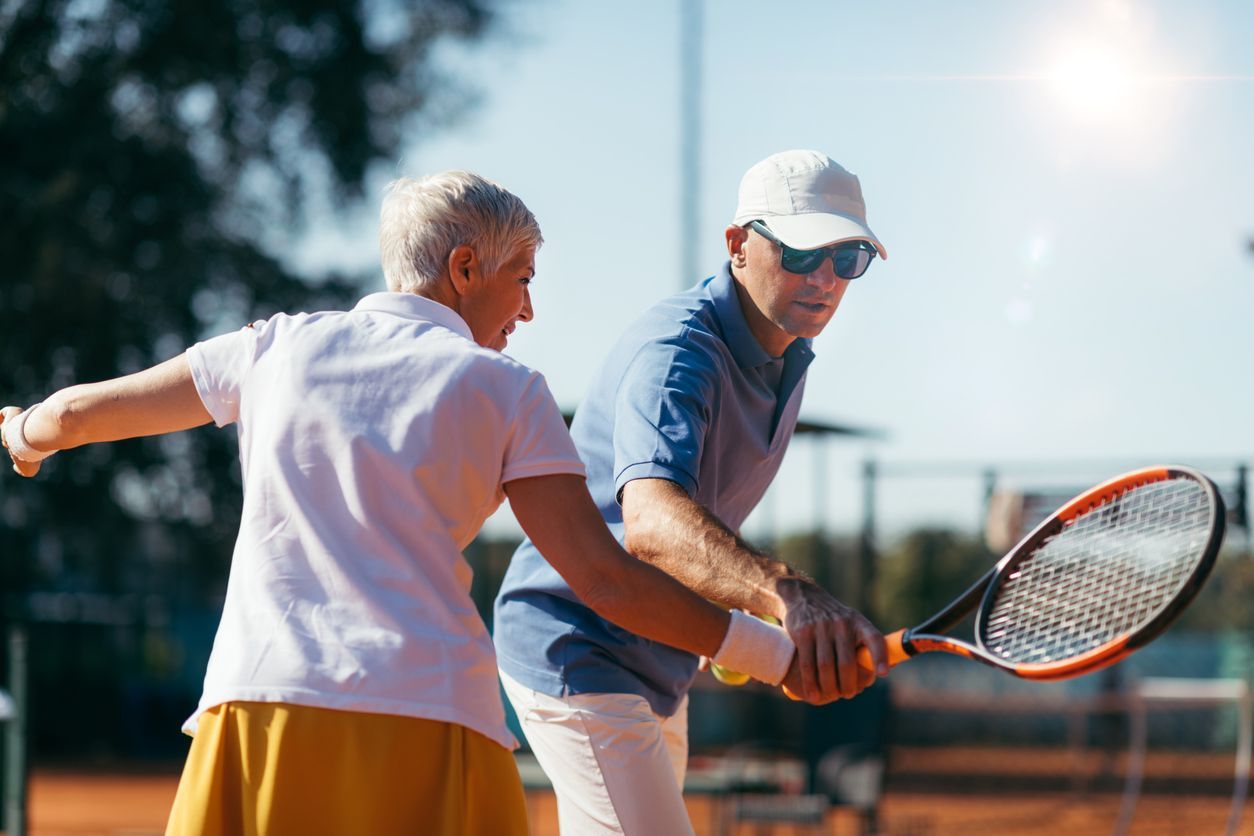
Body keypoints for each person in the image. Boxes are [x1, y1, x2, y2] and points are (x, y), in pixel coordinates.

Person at [1, 171, 817, 836]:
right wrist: (779, 653)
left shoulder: (274, 347)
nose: (528, 310)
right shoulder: (510, 390)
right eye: (521, 280)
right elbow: (605, 579)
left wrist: (24, 432)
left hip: (261, 705)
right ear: (464, 269)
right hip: (433, 716)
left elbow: (76, 414)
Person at [493, 149, 891, 835]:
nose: (824, 278)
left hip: (660, 656)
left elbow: (697, 528)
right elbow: (649, 520)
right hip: (576, 645)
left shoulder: (785, 354)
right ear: (738, 244)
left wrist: (730, 607)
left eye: (847, 258)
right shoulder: (679, 351)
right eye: (800, 253)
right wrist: (786, 592)